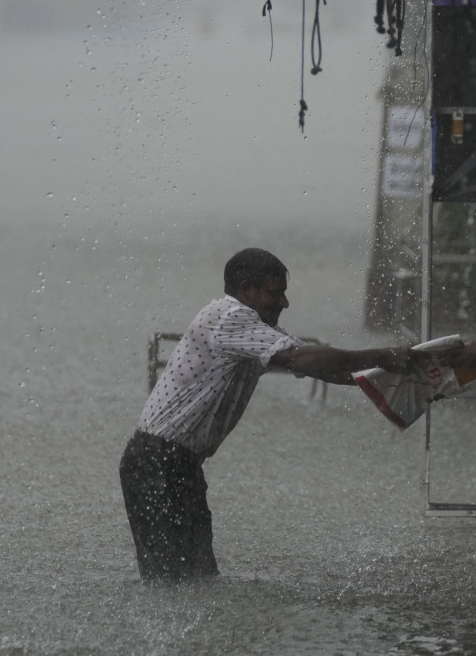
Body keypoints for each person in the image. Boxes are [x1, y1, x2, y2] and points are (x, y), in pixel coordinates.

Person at [120, 248, 445, 582]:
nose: (285, 303)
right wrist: (383, 355)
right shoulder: (230, 316)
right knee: (171, 584)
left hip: (177, 465)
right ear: (246, 290)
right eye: (277, 293)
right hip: (156, 463)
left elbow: (324, 367)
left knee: (198, 580)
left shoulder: (255, 331)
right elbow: (303, 359)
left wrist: (411, 375)